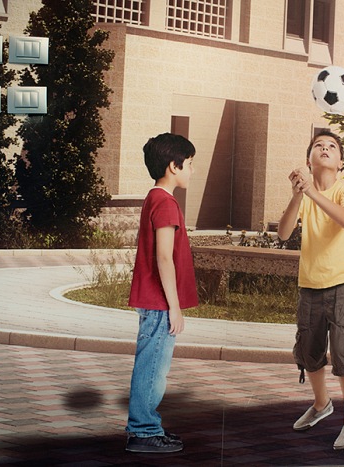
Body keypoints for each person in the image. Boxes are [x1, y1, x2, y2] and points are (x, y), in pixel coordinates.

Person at [277, 129, 344, 450]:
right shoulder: (304, 196)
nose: (325, 149)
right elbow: (284, 234)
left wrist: (312, 194)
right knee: (309, 351)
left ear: (340, 162)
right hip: (310, 283)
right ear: (308, 160)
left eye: (332, 147)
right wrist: (298, 194)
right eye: (318, 146)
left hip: (343, 281)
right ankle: (320, 404)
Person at [125, 133, 198, 454]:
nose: (192, 171)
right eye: (190, 164)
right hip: (159, 303)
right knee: (153, 367)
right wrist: (175, 306)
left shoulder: (154, 198)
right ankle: (143, 431)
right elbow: (164, 257)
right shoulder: (166, 203)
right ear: (173, 165)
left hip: (153, 301)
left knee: (151, 364)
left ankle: (147, 425)